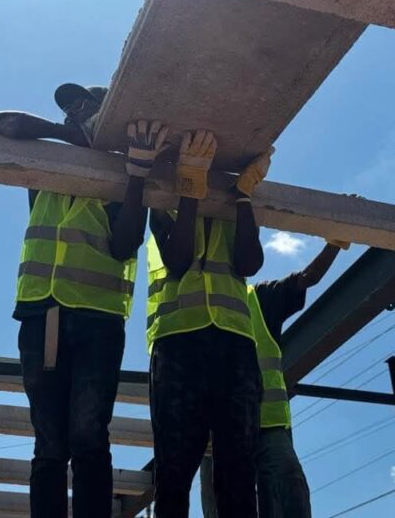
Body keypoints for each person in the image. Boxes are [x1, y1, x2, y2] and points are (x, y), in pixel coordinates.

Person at [0, 84, 168, 518]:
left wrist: (136, 175)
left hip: (97, 318)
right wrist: (68, 134)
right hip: (41, 313)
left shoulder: (124, 171)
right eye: (69, 108)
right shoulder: (49, 160)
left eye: (84, 106)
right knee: (50, 444)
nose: (73, 112)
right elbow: (3, 123)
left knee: (88, 437)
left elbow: (125, 244)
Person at [146, 130, 274, 518]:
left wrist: (243, 197)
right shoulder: (163, 200)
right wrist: (189, 190)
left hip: (234, 345)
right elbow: (178, 260)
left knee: (238, 471)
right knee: (174, 470)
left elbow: (249, 263)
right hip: (179, 343)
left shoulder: (231, 208)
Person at [199, 240, 348, 518]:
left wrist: (335, 243)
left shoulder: (259, 298)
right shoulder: (198, 306)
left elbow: (308, 278)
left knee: (288, 488)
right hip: (217, 431)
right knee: (226, 503)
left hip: (265, 425)